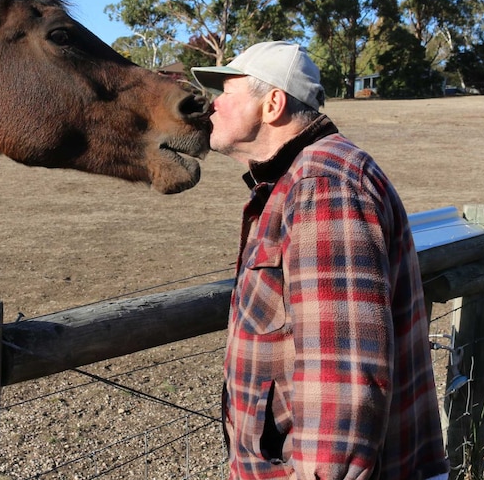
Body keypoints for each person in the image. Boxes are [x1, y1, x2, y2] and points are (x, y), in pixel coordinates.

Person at [191, 41, 449, 480]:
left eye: (226, 91)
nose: (212, 105)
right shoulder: (307, 177)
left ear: (272, 103)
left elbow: (342, 377)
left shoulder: (322, 186)